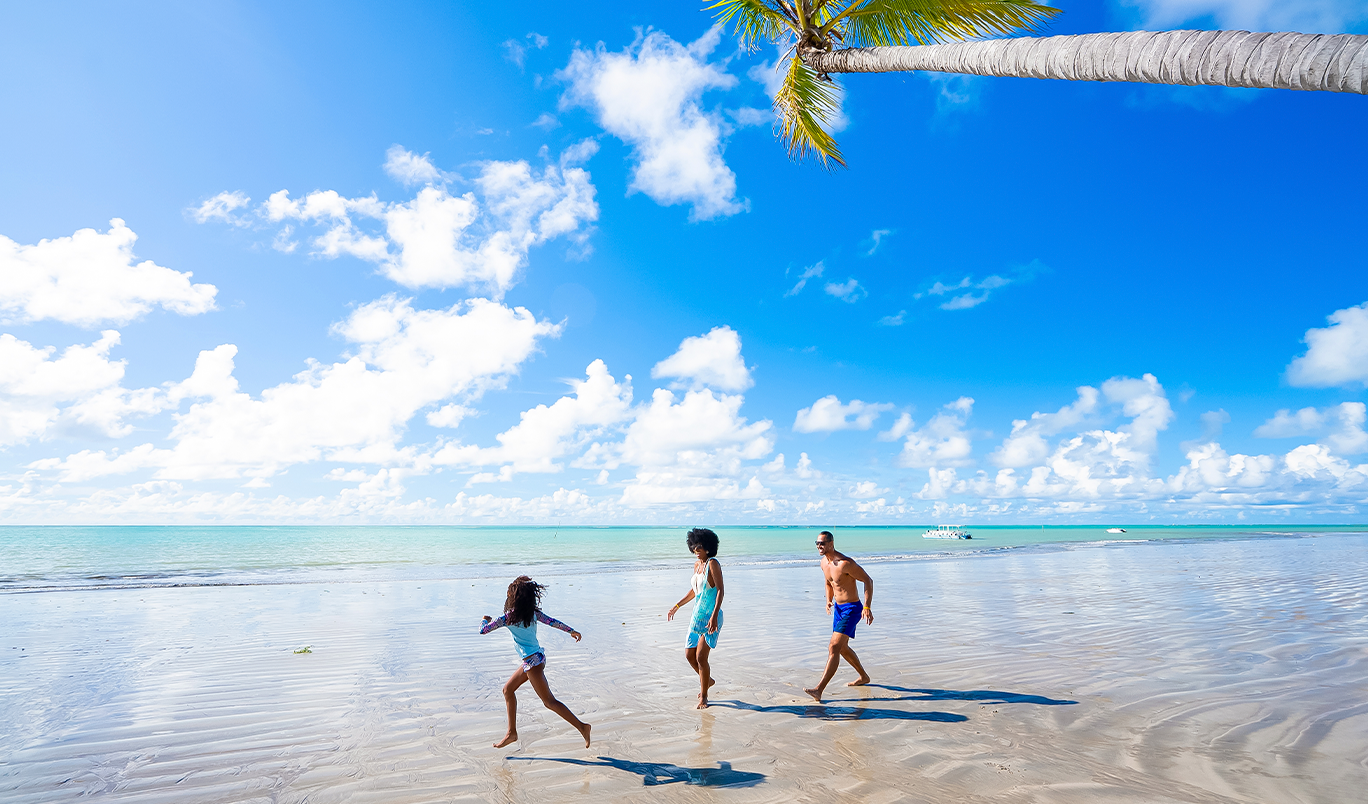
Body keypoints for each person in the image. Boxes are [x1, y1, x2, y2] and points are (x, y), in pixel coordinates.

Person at [480, 575, 592, 748]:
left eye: (509, 594)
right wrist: (571, 631)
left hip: (532, 663)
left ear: (513, 597)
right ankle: (511, 733)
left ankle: (582, 727)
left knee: (549, 702)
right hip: (536, 659)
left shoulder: (507, 618)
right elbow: (553, 622)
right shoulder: (532, 613)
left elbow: (483, 630)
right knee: (508, 690)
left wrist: (484, 620)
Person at [805, 530, 873, 702]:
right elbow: (829, 582)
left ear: (831, 543)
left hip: (852, 608)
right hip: (839, 609)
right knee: (842, 648)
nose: (819, 546)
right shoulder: (823, 563)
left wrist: (867, 606)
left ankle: (819, 690)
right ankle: (863, 677)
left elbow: (868, 580)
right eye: (817, 543)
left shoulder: (845, 564)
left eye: (822, 543)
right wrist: (828, 600)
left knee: (834, 647)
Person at [666, 527, 725, 709]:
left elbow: (720, 591)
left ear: (708, 546)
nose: (696, 550)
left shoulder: (713, 564)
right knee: (689, 655)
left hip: (711, 617)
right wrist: (677, 606)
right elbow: (694, 590)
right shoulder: (697, 565)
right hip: (696, 617)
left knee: (700, 657)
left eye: (699, 546)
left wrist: (714, 616)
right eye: (694, 546)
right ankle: (708, 680)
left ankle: (704, 696)